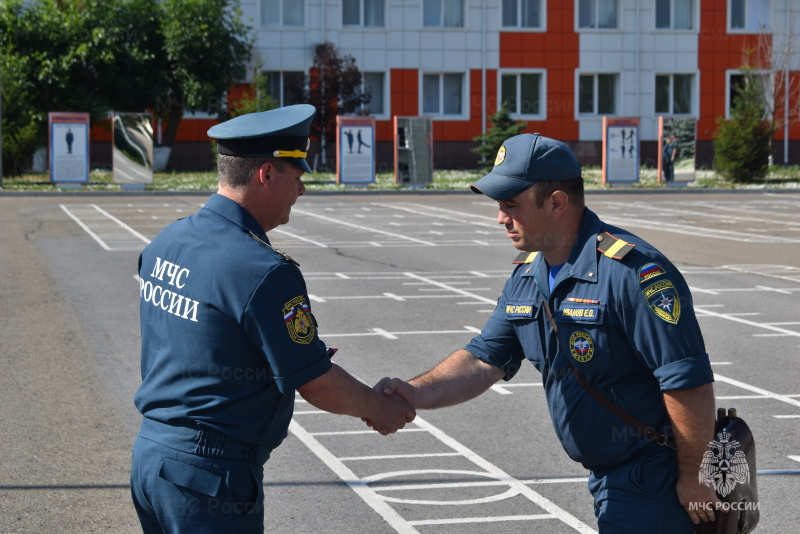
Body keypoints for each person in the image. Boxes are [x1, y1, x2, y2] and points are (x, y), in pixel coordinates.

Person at [375, 133, 719, 533]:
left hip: (653, 477)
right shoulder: (528, 273)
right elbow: (485, 357)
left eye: (511, 205)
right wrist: (413, 393)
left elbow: (686, 380)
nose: (500, 217)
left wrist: (696, 476)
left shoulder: (631, 273)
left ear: (556, 203)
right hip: (609, 475)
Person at [130, 104, 414, 534]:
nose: (301, 192)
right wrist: (378, 407)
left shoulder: (169, 240)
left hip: (153, 458)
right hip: (208, 476)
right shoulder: (262, 270)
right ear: (266, 175)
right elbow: (315, 381)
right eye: (297, 179)